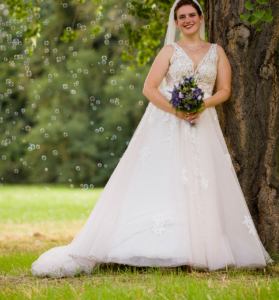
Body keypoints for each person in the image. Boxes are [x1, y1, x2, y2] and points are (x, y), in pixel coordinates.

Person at [31, 0, 273, 278]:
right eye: (181, 17)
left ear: (202, 17)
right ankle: (153, 246)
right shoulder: (170, 50)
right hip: (167, 125)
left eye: (191, 15)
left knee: (199, 180)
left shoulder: (217, 52)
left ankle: (198, 249)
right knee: (165, 180)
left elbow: (224, 90)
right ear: (176, 22)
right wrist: (177, 110)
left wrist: (202, 106)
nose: (187, 20)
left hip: (203, 124)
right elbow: (149, 87)